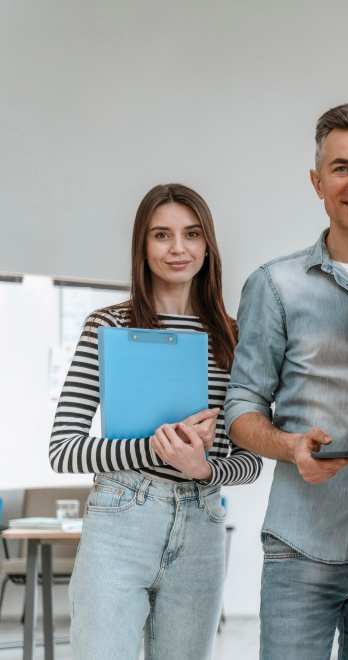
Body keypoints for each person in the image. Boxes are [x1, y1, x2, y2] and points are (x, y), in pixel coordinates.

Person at [224, 102, 348, 660]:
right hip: (302, 546)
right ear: (317, 182)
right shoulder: (275, 286)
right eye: (341, 167)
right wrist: (287, 445)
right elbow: (241, 407)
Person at [49, 183, 262, 660]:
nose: (178, 248)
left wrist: (204, 468)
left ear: (208, 245)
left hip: (203, 520)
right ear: (142, 247)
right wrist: (156, 450)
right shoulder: (107, 326)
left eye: (191, 234)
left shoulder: (234, 337)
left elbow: (251, 461)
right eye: (161, 235)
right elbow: (63, 449)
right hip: (120, 519)